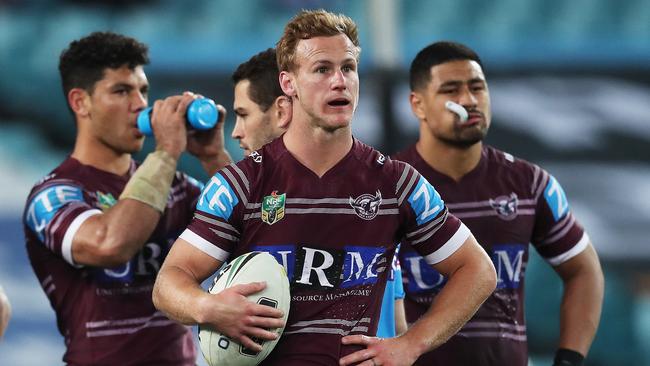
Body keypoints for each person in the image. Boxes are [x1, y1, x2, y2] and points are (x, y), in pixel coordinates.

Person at [152, 10, 497, 366]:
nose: (339, 81)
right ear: (289, 83)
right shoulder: (241, 183)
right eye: (322, 69)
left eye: (348, 68)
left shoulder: (396, 183)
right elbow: (170, 283)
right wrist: (208, 306)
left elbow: (477, 271)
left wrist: (412, 343)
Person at [22, 31, 231, 365]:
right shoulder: (54, 194)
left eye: (143, 90)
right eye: (121, 91)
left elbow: (259, 237)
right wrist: (165, 153)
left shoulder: (176, 186)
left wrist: (213, 158)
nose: (139, 104)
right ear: (80, 102)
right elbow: (109, 243)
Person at [393, 41, 605, 366]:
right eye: (451, 90)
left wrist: (569, 359)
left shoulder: (529, 184)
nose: (468, 100)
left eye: (477, 88)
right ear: (418, 105)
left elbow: (583, 270)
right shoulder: (390, 186)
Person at [232, 47, 407, 338]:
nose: (236, 131)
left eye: (243, 114)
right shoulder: (376, 198)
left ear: (281, 111)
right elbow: (397, 323)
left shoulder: (308, 204)